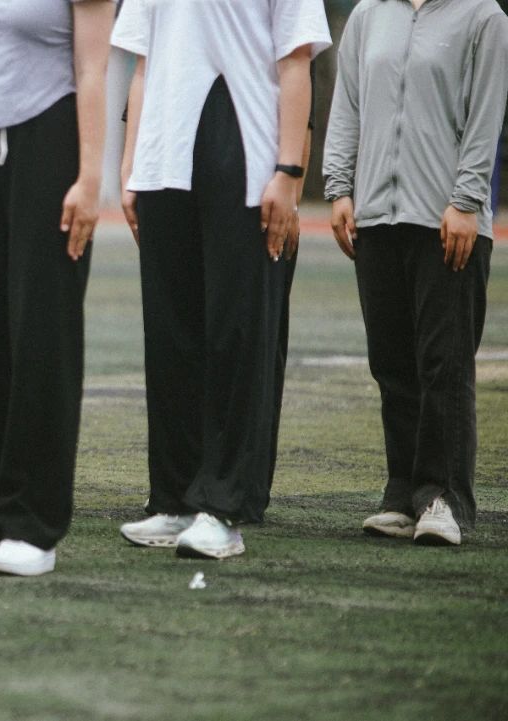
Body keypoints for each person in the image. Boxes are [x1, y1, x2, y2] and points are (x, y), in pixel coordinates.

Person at [114, 0, 330, 559]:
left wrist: (288, 171)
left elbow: (296, 60)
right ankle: (174, 499)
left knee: (237, 334)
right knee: (171, 337)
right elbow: (143, 63)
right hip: (164, 155)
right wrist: (132, 163)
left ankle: (225, 506)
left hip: (247, 154)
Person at [0, 0, 114, 577]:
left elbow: (92, 70)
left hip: (50, 144)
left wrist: (89, 177)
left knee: (41, 335)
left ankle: (34, 523)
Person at [323, 0, 508, 546]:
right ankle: (403, 494)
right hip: (377, 218)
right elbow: (347, 104)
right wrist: (339, 187)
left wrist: (467, 199)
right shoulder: (367, 15)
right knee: (392, 363)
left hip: (447, 219)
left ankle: (444, 497)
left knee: (444, 365)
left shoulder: (483, 17)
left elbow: (487, 115)